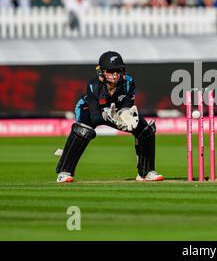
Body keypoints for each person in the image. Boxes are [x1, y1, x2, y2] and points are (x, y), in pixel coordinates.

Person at [55, 51, 164, 183]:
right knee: (83, 131)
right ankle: (64, 172)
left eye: (118, 71)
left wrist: (125, 115)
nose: (115, 75)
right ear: (101, 73)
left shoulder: (129, 82)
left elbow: (127, 105)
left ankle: (146, 172)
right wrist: (110, 118)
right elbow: (95, 117)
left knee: (145, 129)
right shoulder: (93, 86)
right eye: (110, 71)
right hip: (88, 109)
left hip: (117, 110)